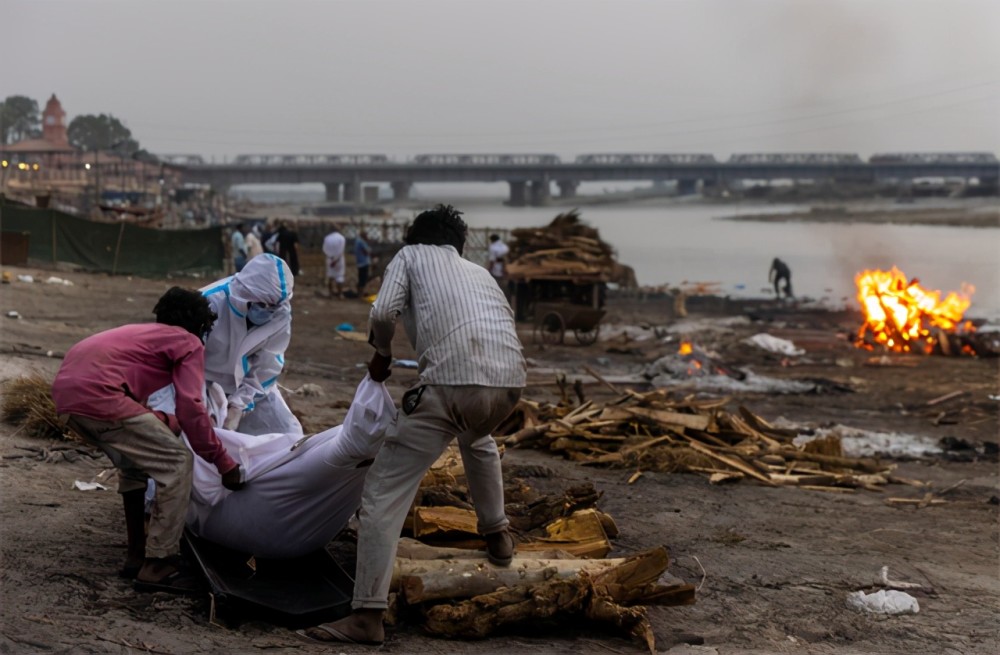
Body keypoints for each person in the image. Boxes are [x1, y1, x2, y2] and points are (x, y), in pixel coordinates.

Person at [300, 204, 526, 645]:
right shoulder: (481, 273)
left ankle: (366, 615)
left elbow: (383, 313)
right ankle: (497, 532)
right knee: (477, 438)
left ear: (415, 239)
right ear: (459, 245)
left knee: (383, 492)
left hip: (450, 382)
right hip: (509, 384)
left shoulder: (409, 257)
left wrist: (381, 355)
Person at [51, 287, 244, 594]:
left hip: (66, 399)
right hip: (101, 397)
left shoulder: (140, 335)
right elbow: (191, 406)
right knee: (179, 463)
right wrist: (223, 462)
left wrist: (166, 422)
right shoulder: (188, 341)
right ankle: (160, 564)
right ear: (202, 325)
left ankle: (136, 555)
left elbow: (136, 406)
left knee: (133, 465)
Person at [201, 253, 302, 436]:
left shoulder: (280, 312)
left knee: (288, 434)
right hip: (203, 382)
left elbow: (268, 365)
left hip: (248, 388)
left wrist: (239, 404)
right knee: (206, 436)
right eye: (261, 305)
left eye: (274, 306)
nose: (267, 311)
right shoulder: (210, 302)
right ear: (246, 295)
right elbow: (188, 358)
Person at [322, 224, 346, 298]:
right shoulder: (341, 238)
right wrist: (336, 259)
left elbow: (324, 249)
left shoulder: (327, 238)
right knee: (340, 276)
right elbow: (341, 250)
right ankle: (340, 294)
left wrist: (331, 257)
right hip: (339, 260)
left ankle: (331, 293)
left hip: (329, 259)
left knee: (330, 276)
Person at [354, 230, 372, 296]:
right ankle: (361, 293)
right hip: (364, 262)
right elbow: (366, 251)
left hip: (360, 262)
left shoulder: (358, 241)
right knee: (363, 278)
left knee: (361, 277)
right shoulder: (361, 242)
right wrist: (369, 249)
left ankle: (359, 292)